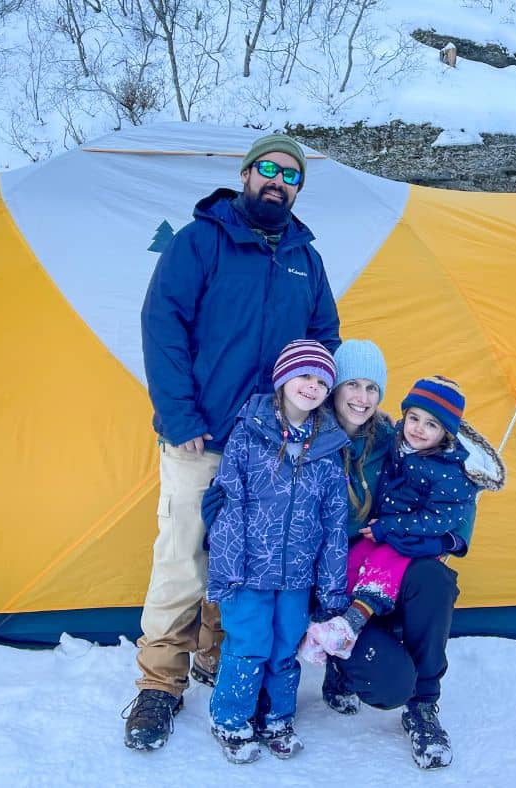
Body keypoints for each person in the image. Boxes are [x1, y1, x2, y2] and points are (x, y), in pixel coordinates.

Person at [125, 134, 340, 751]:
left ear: (297, 188)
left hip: (274, 447)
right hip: (204, 438)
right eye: (269, 169)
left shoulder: (306, 256)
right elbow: (161, 323)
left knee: (243, 562)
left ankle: (220, 662)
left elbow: (323, 335)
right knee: (184, 559)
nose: (278, 181)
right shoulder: (202, 241)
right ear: (246, 174)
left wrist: (306, 418)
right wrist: (178, 415)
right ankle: (159, 685)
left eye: (290, 175)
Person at [301, 351, 505, 770]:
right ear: (332, 389)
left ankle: (424, 706)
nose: (360, 398)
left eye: (371, 388)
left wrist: (434, 532)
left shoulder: (388, 438)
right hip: (332, 572)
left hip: (391, 560)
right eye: (351, 386)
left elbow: (454, 513)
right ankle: (343, 660)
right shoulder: (309, 433)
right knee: (388, 682)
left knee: (435, 580)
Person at [206, 340, 349, 764]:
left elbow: (334, 523)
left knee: (286, 644)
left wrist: (332, 589)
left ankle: (276, 717)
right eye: (304, 375)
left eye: (322, 380)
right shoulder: (249, 432)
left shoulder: (328, 448)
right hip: (248, 571)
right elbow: (230, 500)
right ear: (283, 378)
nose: (312, 385)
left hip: (296, 575)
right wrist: (227, 566)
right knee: (249, 642)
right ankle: (232, 717)